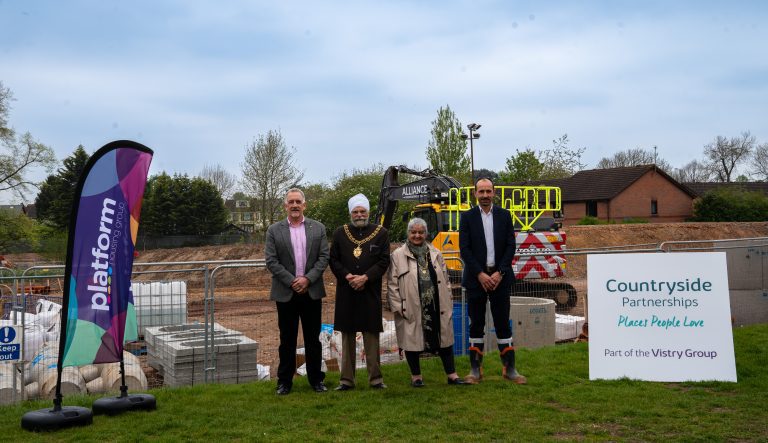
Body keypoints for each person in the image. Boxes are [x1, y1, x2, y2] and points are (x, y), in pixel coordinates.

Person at [459, 177, 526, 384]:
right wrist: (480, 274)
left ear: (494, 193)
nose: (485, 195)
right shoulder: (467, 217)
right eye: (481, 192)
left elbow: (510, 247)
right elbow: (465, 249)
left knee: (502, 324)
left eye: (489, 191)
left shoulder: (505, 216)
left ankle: (510, 369)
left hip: (500, 279)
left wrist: (500, 273)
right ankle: (475, 370)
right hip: (476, 279)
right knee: (476, 324)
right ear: (475, 194)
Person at [387, 217, 468, 387]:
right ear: (408, 233)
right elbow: (392, 284)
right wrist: (398, 307)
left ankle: (452, 375)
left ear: (426, 234)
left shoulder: (435, 253)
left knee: (444, 339)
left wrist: (449, 298)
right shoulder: (398, 255)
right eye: (413, 232)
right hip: (411, 306)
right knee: (412, 341)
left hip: (437, 305)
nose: (417, 235)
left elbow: (445, 280)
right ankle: (416, 377)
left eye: (421, 232)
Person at [265, 188, 330, 395]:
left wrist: (307, 279)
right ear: (285, 205)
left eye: (298, 202)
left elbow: (323, 258)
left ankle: (316, 380)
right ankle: (284, 382)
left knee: (313, 339)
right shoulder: (274, 230)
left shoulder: (318, 228)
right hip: (286, 293)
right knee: (287, 340)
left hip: (311, 292)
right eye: (291, 202)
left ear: (304, 205)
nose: (294, 205)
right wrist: (293, 281)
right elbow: (271, 261)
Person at [330, 193, 390, 391]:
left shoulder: (381, 233)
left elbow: (383, 261)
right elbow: (334, 260)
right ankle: (346, 380)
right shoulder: (340, 233)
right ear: (350, 213)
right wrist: (348, 277)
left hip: (369, 291)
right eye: (355, 212)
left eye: (362, 211)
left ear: (368, 212)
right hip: (347, 292)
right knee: (347, 336)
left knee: (371, 335)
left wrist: (365, 278)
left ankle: (376, 379)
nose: (358, 215)